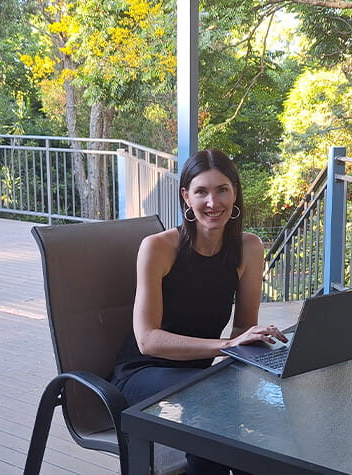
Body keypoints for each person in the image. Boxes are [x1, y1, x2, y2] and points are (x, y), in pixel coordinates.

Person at [111, 149, 287, 475]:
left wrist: (258, 343)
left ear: (235, 192)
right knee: (215, 407)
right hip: (142, 373)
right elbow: (148, 340)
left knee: (271, 402)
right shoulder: (158, 248)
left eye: (222, 190)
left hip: (203, 375)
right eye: (201, 191)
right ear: (186, 197)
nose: (212, 202)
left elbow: (241, 330)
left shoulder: (249, 248)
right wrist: (226, 348)